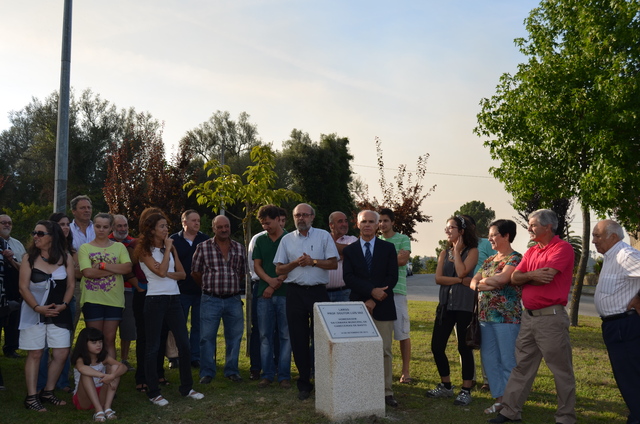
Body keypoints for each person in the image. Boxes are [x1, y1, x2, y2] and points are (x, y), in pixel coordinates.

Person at [489, 209, 576, 424]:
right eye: (529, 224)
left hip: (551, 319)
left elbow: (545, 278)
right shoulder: (531, 251)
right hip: (528, 318)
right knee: (522, 367)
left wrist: (525, 277)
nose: (528, 228)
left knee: (561, 370)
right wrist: (528, 276)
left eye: (533, 224)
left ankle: (565, 418)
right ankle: (510, 412)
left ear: (548, 227)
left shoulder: (562, 248)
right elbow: (515, 278)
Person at [134, 212, 204, 406]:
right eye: (162, 226)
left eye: (166, 225)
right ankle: (153, 392)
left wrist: (166, 265)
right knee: (153, 347)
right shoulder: (145, 250)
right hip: (155, 300)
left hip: (174, 299)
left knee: (184, 344)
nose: (166, 229)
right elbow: (162, 271)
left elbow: (182, 274)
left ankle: (187, 387)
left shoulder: (169, 249)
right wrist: (167, 253)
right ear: (152, 229)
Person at [273, 203, 338, 401]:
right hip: (295, 293)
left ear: (312, 217)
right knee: (298, 339)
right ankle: (304, 383)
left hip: (318, 292)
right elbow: (279, 270)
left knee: (320, 338)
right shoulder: (286, 240)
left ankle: (323, 379)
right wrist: (295, 263)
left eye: (305, 215)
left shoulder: (323, 236)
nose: (301, 218)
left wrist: (314, 262)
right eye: (297, 215)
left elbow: (334, 263)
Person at [344, 210, 399, 407]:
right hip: (358, 307)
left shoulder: (388, 248)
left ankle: (386, 392)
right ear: (357, 225)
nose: (367, 225)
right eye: (364, 221)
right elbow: (348, 278)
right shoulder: (349, 251)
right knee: (359, 349)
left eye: (371, 222)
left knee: (384, 350)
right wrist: (370, 293)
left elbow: (392, 277)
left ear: (378, 225)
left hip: (383, 306)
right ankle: (361, 388)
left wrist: (375, 299)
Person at [19, 220, 75, 412]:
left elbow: (70, 285)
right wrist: (37, 307)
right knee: (35, 353)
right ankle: (31, 396)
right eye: (35, 232)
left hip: (59, 312)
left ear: (53, 237)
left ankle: (48, 392)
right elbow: (23, 287)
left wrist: (64, 305)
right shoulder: (28, 258)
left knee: (61, 353)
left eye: (41, 233)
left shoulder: (66, 257)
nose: (36, 236)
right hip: (34, 312)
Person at [469, 219, 522, 415]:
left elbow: (503, 279)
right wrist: (487, 283)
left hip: (506, 319)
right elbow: (473, 282)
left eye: (493, 235)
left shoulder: (515, 258)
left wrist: (486, 282)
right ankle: (499, 400)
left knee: (507, 360)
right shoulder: (490, 260)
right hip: (485, 318)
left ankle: (510, 403)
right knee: (489, 359)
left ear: (506, 236)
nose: (490, 238)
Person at [592, 219, 640, 424]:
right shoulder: (611, 256)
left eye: (597, 236)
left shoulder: (625, 254)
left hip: (624, 326)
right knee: (625, 377)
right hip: (614, 326)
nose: (593, 240)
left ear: (613, 236)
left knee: (630, 377)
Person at [427, 215, 478, 406]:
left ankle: (465, 390)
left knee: (464, 348)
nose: (447, 231)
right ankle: (446, 386)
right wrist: (458, 281)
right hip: (445, 305)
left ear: (461, 231)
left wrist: (457, 251)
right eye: (446, 228)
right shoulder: (443, 253)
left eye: (451, 228)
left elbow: (464, 270)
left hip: (464, 306)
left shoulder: (472, 251)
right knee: (436, 346)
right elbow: (439, 279)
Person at [192, 215, 246, 384]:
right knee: (207, 337)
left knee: (235, 337)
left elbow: (242, 272)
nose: (224, 230)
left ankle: (232, 370)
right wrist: (208, 288)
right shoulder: (203, 247)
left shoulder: (239, 248)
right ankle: (207, 372)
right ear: (214, 228)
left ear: (230, 227)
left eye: (226, 226)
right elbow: (195, 272)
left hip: (233, 299)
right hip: (210, 299)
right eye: (220, 227)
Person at [78, 213, 132, 360]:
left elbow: (127, 268)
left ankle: (111, 377)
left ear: (111, 228)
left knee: (109, 340)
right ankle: (94, 375)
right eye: (98, 226)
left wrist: (103, 266)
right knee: (94, 340)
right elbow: (88, 272)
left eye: (105, 227)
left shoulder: (119, 247)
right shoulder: (85, 248)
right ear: (93, 227)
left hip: (114, 300)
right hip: (92, 299)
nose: (101, 230)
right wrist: (114, 270)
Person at [37, 212, 80, 394]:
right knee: (42, 347)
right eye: (61, 224)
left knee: (63, 344)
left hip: (66, 302)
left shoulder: (71, 252)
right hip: (42, 303)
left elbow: (76, 276)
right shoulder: (36, 253)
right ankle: (40, 385)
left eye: (67, 224)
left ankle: (62, 382)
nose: (65, 227)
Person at [253, 205, 290, 388]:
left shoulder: (291, 239)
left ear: (277, 219)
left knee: (285, 335)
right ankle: (267, 374)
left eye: (268, 223)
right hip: (263, 294)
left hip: (286, 294)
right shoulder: (260, 240)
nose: (265, 227)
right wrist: (269, 281)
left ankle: (284, 376)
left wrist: (277, 282)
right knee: (265, 336)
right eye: (262, 224)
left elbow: (294, 265)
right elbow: (257, 265)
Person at [170, 210, 209, 369]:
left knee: (198, 326)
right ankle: (177, 356)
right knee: (178, 327)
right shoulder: (173, 240)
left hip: (201, 290)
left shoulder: (205, 240)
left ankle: (194, 357)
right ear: (184, 222)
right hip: (180, 291)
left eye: (198, 220)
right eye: (193, 220)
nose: (197, 223)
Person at [378, 208, 413, 384]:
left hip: (397, 292)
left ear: (392, 222)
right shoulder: (376, 241)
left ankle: (405, 372)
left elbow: (402, 260)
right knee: (381, 335)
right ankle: (381, 372)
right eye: (380, 221)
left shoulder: (403, 239)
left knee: (402, 333)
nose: (382, 224)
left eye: (385, 220)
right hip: (380, 293)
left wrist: (382, 259)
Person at [71, 327, 127, 422]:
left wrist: (112, 376)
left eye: (100, 342)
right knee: (86, 373)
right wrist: (103, 376)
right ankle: (98, 411)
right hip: (84, 398)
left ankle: (107, 408)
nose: (98, 345)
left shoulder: (103, 357)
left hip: (101, 395)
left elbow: (123, 367)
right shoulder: (80, 359)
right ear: (84, 344)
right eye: (94, 343)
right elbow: (81, 368)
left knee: (115, 368)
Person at [108, 214, 137, 371]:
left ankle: (124, 359)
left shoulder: (133, 243)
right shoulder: (106, 242)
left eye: (125, 225)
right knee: (110, 328)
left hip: (128, 290)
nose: (123, 229)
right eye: (119, 226)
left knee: (128, 327)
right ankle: (110, 359)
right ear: (112, 227)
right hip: (110, 289)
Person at [0, 214, 26, 358]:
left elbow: (26, 266)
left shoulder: (17, 244)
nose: (7, 225)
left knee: (13, 320)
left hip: (14, 288)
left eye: (9, 223)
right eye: (3, 222)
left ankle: (10, 348)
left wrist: (11, 259)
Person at [327, 211, 358, 302]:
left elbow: (351, 252)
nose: (344, 224)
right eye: (340, 221)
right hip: (323, 293)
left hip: (345, 292)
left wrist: (328, 246)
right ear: (331, 225)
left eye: (346, 221)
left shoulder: (352, 239)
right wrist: (342, 255)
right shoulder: (323, 239)